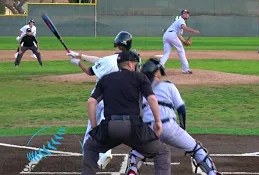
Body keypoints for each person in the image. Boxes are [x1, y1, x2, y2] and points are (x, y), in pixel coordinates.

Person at [125, 58, 222, 175]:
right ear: (157, 72)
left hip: (148, 129)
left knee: (137, 154)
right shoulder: (168, 86)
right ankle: (212, 173)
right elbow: (181, 109)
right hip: (168, 127)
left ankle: (132, 171)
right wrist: (182, 127)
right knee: (196, 149)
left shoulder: (140, 90)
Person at [81, 50, 171, 174]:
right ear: (129, 63)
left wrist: (94, 127)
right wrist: (158, 121)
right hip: (134, 127)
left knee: (90, 147)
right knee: (162, 152)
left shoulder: (105, 79)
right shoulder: (140, 77)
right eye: (135, 63)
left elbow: (91, 102)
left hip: (110, 127)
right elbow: (152, 98)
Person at [66, 31, 136, 169]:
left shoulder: (108, 61)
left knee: (91, 131)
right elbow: (99, 60)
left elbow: (90, 71)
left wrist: (78, 62)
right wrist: (80, 55)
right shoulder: (129, 61)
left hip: (99, 99)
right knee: (106, 127)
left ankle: (92, 160)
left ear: (116, 42)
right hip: (117, 101)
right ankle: (105, 151)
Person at [160, 10, 200, 74]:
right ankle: (185, 69)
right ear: (181, 15)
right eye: (185, 13)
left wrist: (184, 42)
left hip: (166, 36)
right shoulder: (181, 20)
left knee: (166, 53)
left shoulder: (179, 22)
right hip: (172, 35)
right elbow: (184, 27)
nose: (186, 14)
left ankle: (159, 65)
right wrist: (193, 31)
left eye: (188, 13)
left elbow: (179, 35)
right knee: (181, 50)